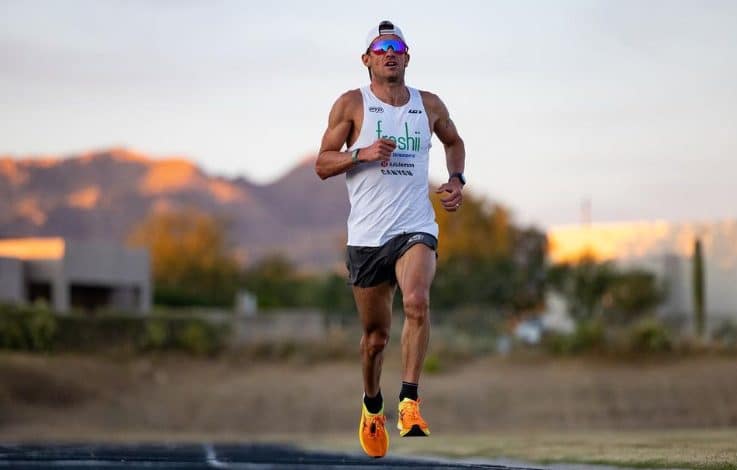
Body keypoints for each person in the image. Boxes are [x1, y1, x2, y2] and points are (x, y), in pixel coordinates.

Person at [315, 20, 466, 458]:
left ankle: (410, 403)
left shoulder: (429, 104)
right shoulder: (351, 105)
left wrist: (457, 179)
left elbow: (455, 142)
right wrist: (360, 154)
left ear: (407, 56)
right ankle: (372, 405)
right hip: (367, 236)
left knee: (417, 301)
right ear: (367, 59)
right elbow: (322, 164)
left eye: (397, 45)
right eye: (381, 47)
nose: (390, 52)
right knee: (375, 338)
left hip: (415, 224)